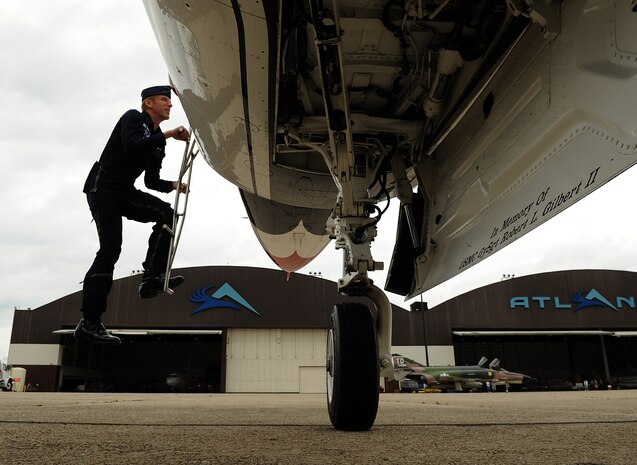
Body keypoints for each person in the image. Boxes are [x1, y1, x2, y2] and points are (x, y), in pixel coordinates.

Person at [75, 85, 190, 344]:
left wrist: (173, 185)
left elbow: (151, 181)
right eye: (164, 100)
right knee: (111, 249)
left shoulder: (159, 141)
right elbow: (133, 146)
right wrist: (170, 134)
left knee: (166, 214)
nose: (169, 105)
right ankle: (89, 321)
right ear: (148, 103)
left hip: (125, 191)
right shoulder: (133, 118)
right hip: (103, 187)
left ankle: (151, 277)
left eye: (169, 101)